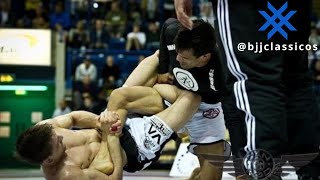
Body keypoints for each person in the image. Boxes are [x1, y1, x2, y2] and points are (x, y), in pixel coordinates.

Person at [174, 0, 320, 179]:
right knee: (295, 79)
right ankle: (311, 173)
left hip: (246, 8)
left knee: (256, 80)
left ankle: (265, 173)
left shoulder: (213, 61)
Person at [114, 19, 227, 180]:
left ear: (204, 57)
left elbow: (234, 115)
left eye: (185, 58)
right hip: (173, 97)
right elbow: (167, 26)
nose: (179, 60)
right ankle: (105, 119)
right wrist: (162, 69)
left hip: (207, 110)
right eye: (177, 54)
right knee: (154, 60)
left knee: (212, 177)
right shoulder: (174, 34)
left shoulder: (222, 70)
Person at [16, 83, 201, 179]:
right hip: (136, 146)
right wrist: (111, 136)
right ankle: (178, 114)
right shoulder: (66, 175)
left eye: (56, 135)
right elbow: (114, 178)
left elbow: (73, 117)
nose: (61, 138)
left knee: (125, 89)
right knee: (191, 98)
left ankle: (178, 117)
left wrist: (100, 122)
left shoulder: (44, 130)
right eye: (57, 142)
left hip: (113, 123)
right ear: (49, 159)